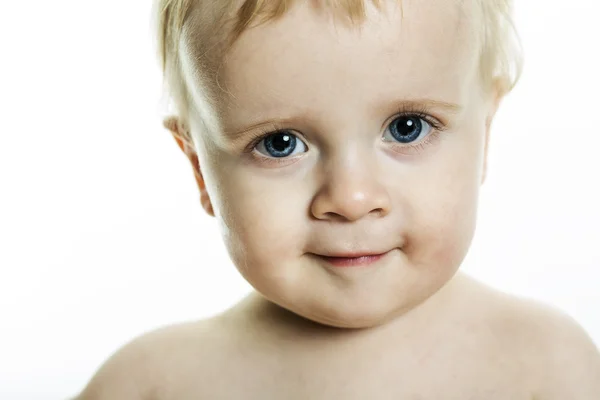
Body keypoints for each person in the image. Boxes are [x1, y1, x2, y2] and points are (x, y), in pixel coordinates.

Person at [76, 0, 600, 398]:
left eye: (407, 127)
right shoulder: (151, 386)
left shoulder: (548, 369)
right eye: (280, 143)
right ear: (199, 168)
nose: (351, 198)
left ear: (484, 130)